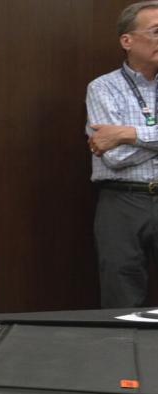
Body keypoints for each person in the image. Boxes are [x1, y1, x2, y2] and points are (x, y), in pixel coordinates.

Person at [87, 1, 158, 308]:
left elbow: (120, 147)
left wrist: (129, 134)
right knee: (122, 298)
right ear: (127, 41)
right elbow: (112, 158)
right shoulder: (103, 88)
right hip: (123, 202)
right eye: (156, 32)